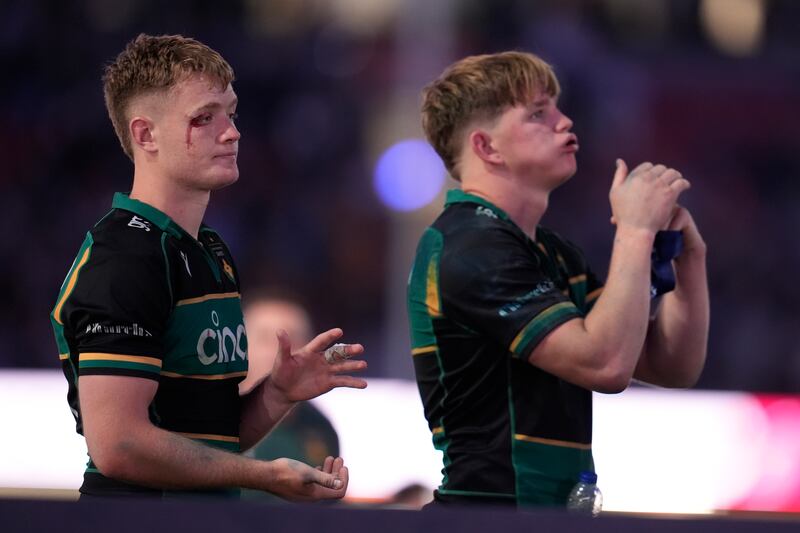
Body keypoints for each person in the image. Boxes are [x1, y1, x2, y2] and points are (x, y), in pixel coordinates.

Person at [49, 33, 367, 500]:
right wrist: (263, 476)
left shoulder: (209, 250)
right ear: (145, 134)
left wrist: (276, 394)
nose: (232, 132)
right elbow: (117, 445)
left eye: (231, 113)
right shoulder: (125, 256)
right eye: (203, 118)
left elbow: (204, 441)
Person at [407, 51, 709, 509]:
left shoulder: (550, 251)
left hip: (541, 517)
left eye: (557, 108)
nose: (565, 121)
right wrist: (633, 232)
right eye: (538, 113)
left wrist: (689, 259)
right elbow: (605, 365)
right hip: (488, 518)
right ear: (487, 148)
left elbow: (668, 364)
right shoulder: (469, 247)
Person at [238, 290, 340, 475]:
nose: (278, 350)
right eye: (264, 338)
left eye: (292, 338)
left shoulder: (319, 426)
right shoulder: (213, 419)